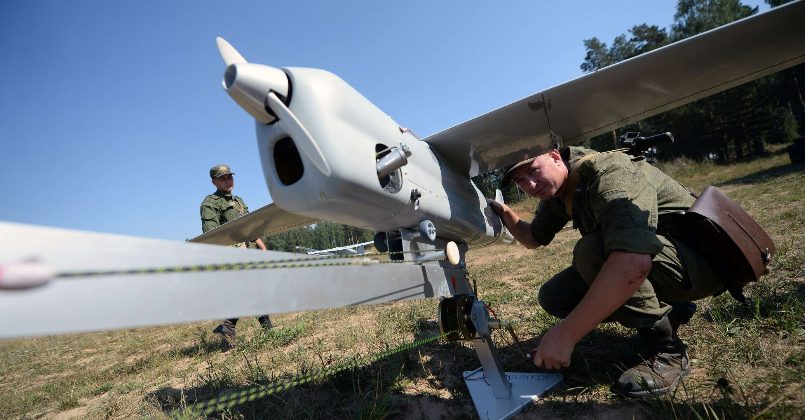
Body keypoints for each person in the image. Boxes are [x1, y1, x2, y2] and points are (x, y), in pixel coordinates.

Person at [488, 146, 726, 398]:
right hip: (668, 262)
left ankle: (668, 351)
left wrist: (565, 335)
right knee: (556, 296)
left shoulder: (610, 174)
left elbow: (632, 262)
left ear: (556, 157)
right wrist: (503, 212)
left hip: (703, 265)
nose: (531, 185)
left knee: (592, 251)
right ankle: (672, 309)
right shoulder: (558, 190)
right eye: (520, 180)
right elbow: (533, 237)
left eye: (534, 171)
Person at [201, 164, 272, 351]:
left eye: (229, 177)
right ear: (214, 181)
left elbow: (250, 228)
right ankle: (251, 327)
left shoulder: (239, 201)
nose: (227, 181)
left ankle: (229, 331)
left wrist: (262, 247)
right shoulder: (210, 204)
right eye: (223, 178)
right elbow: (212, 234)